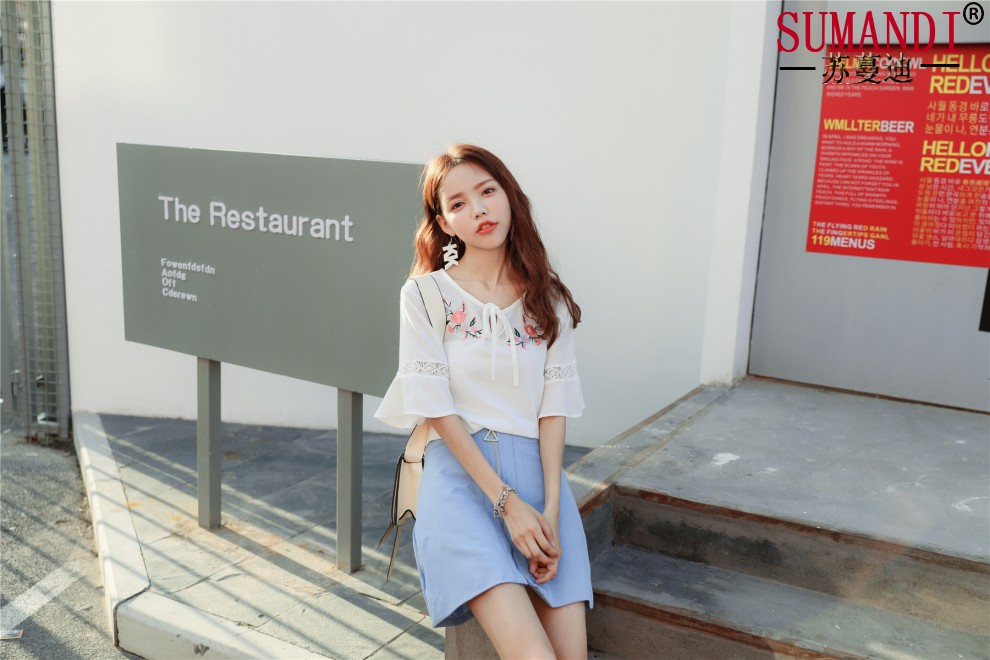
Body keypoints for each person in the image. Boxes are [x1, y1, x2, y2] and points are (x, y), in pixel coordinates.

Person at [375, 144, 592, 659]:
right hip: (461, 482)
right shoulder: (425, 296)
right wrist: (507, 504)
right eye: (458, 204)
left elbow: (554, 409)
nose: (478, 209)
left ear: (508, 195)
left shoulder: (549, 300)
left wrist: (551, 509)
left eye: (487, 191)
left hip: (541, 480)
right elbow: (435, 406)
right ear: (444, 223)